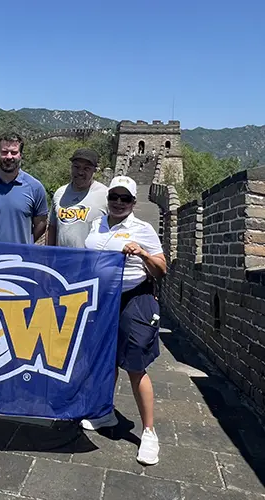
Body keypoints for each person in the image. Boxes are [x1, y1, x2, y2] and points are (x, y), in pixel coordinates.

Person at [83, 175, 166, 466]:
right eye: (114, 197)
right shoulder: (98, 224)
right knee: (105, 361)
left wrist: (142, 252)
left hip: (134, 300)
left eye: (125, 198)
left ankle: (148, 432)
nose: (118, 202)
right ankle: (104, 411)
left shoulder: (143, 229)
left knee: (135, 366)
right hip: (103, 301)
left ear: (133, 202)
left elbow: (161, 269)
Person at [0, 132, 48, 244]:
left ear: (20, 155)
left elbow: (41, 223)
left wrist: (26, 242)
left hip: (21, 258)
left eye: (14, 152)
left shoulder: (35, 187)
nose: (9, 156)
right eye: (4, 152)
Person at [46, 148, 107, 248]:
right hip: (62, 260)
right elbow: (52, 228)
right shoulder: (60, 193)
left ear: (94, 171)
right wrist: (48, 255)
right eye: (76, 167)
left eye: (86, 169)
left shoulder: (105, 195)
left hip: (91, 261)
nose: (80, 172)